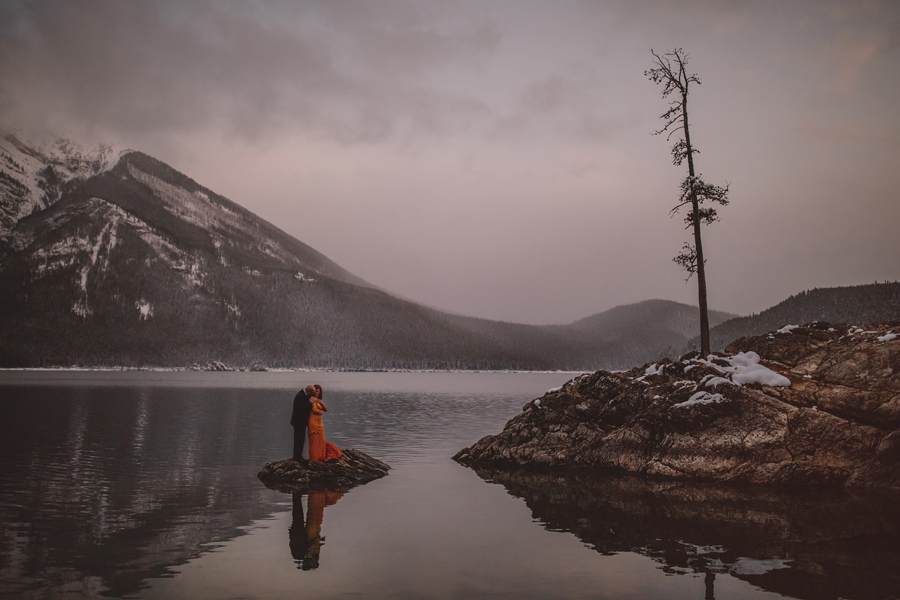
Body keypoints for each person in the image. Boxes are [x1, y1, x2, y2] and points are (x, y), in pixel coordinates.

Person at [307, 384, 343, 462]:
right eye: (315, 391)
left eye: (318, 392)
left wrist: (322, 404)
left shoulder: (319, 400)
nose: (317, 393)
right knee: (314, 441)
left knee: (320, 440)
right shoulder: (311, 399)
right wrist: (321, 411)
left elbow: (326, 409)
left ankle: (320, 456)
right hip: (313, 422)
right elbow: (315, 410)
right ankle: (314, 458)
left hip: (320, 423)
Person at [290, 385, 316, 462]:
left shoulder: (302, 395)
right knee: (299, 440)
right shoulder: (301, 396)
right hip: (298, 422)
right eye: (312, 393)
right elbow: (303, 409)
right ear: (309, 392)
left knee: (300, 440)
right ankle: (297, 457)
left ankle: (298, 456)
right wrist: (310, 403)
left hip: (299, 422)